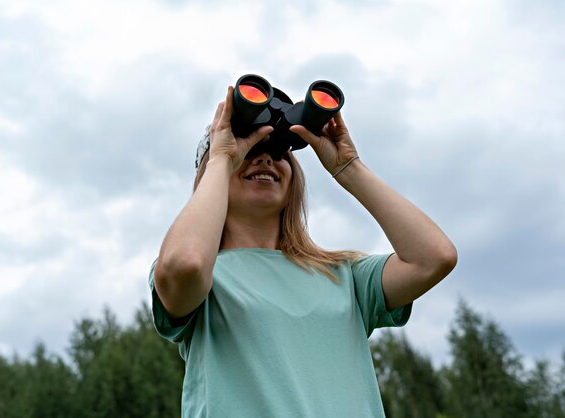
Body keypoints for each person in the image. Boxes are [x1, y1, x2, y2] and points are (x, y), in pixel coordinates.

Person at [148, 85, 457, 417]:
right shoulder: (206, 278)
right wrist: (222, 157)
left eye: (280, 151)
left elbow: (434, 257)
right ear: (213, 174)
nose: (266, 157)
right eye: (248, 150)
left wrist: (349, 167)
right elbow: (185, 263)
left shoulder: (343, 276)